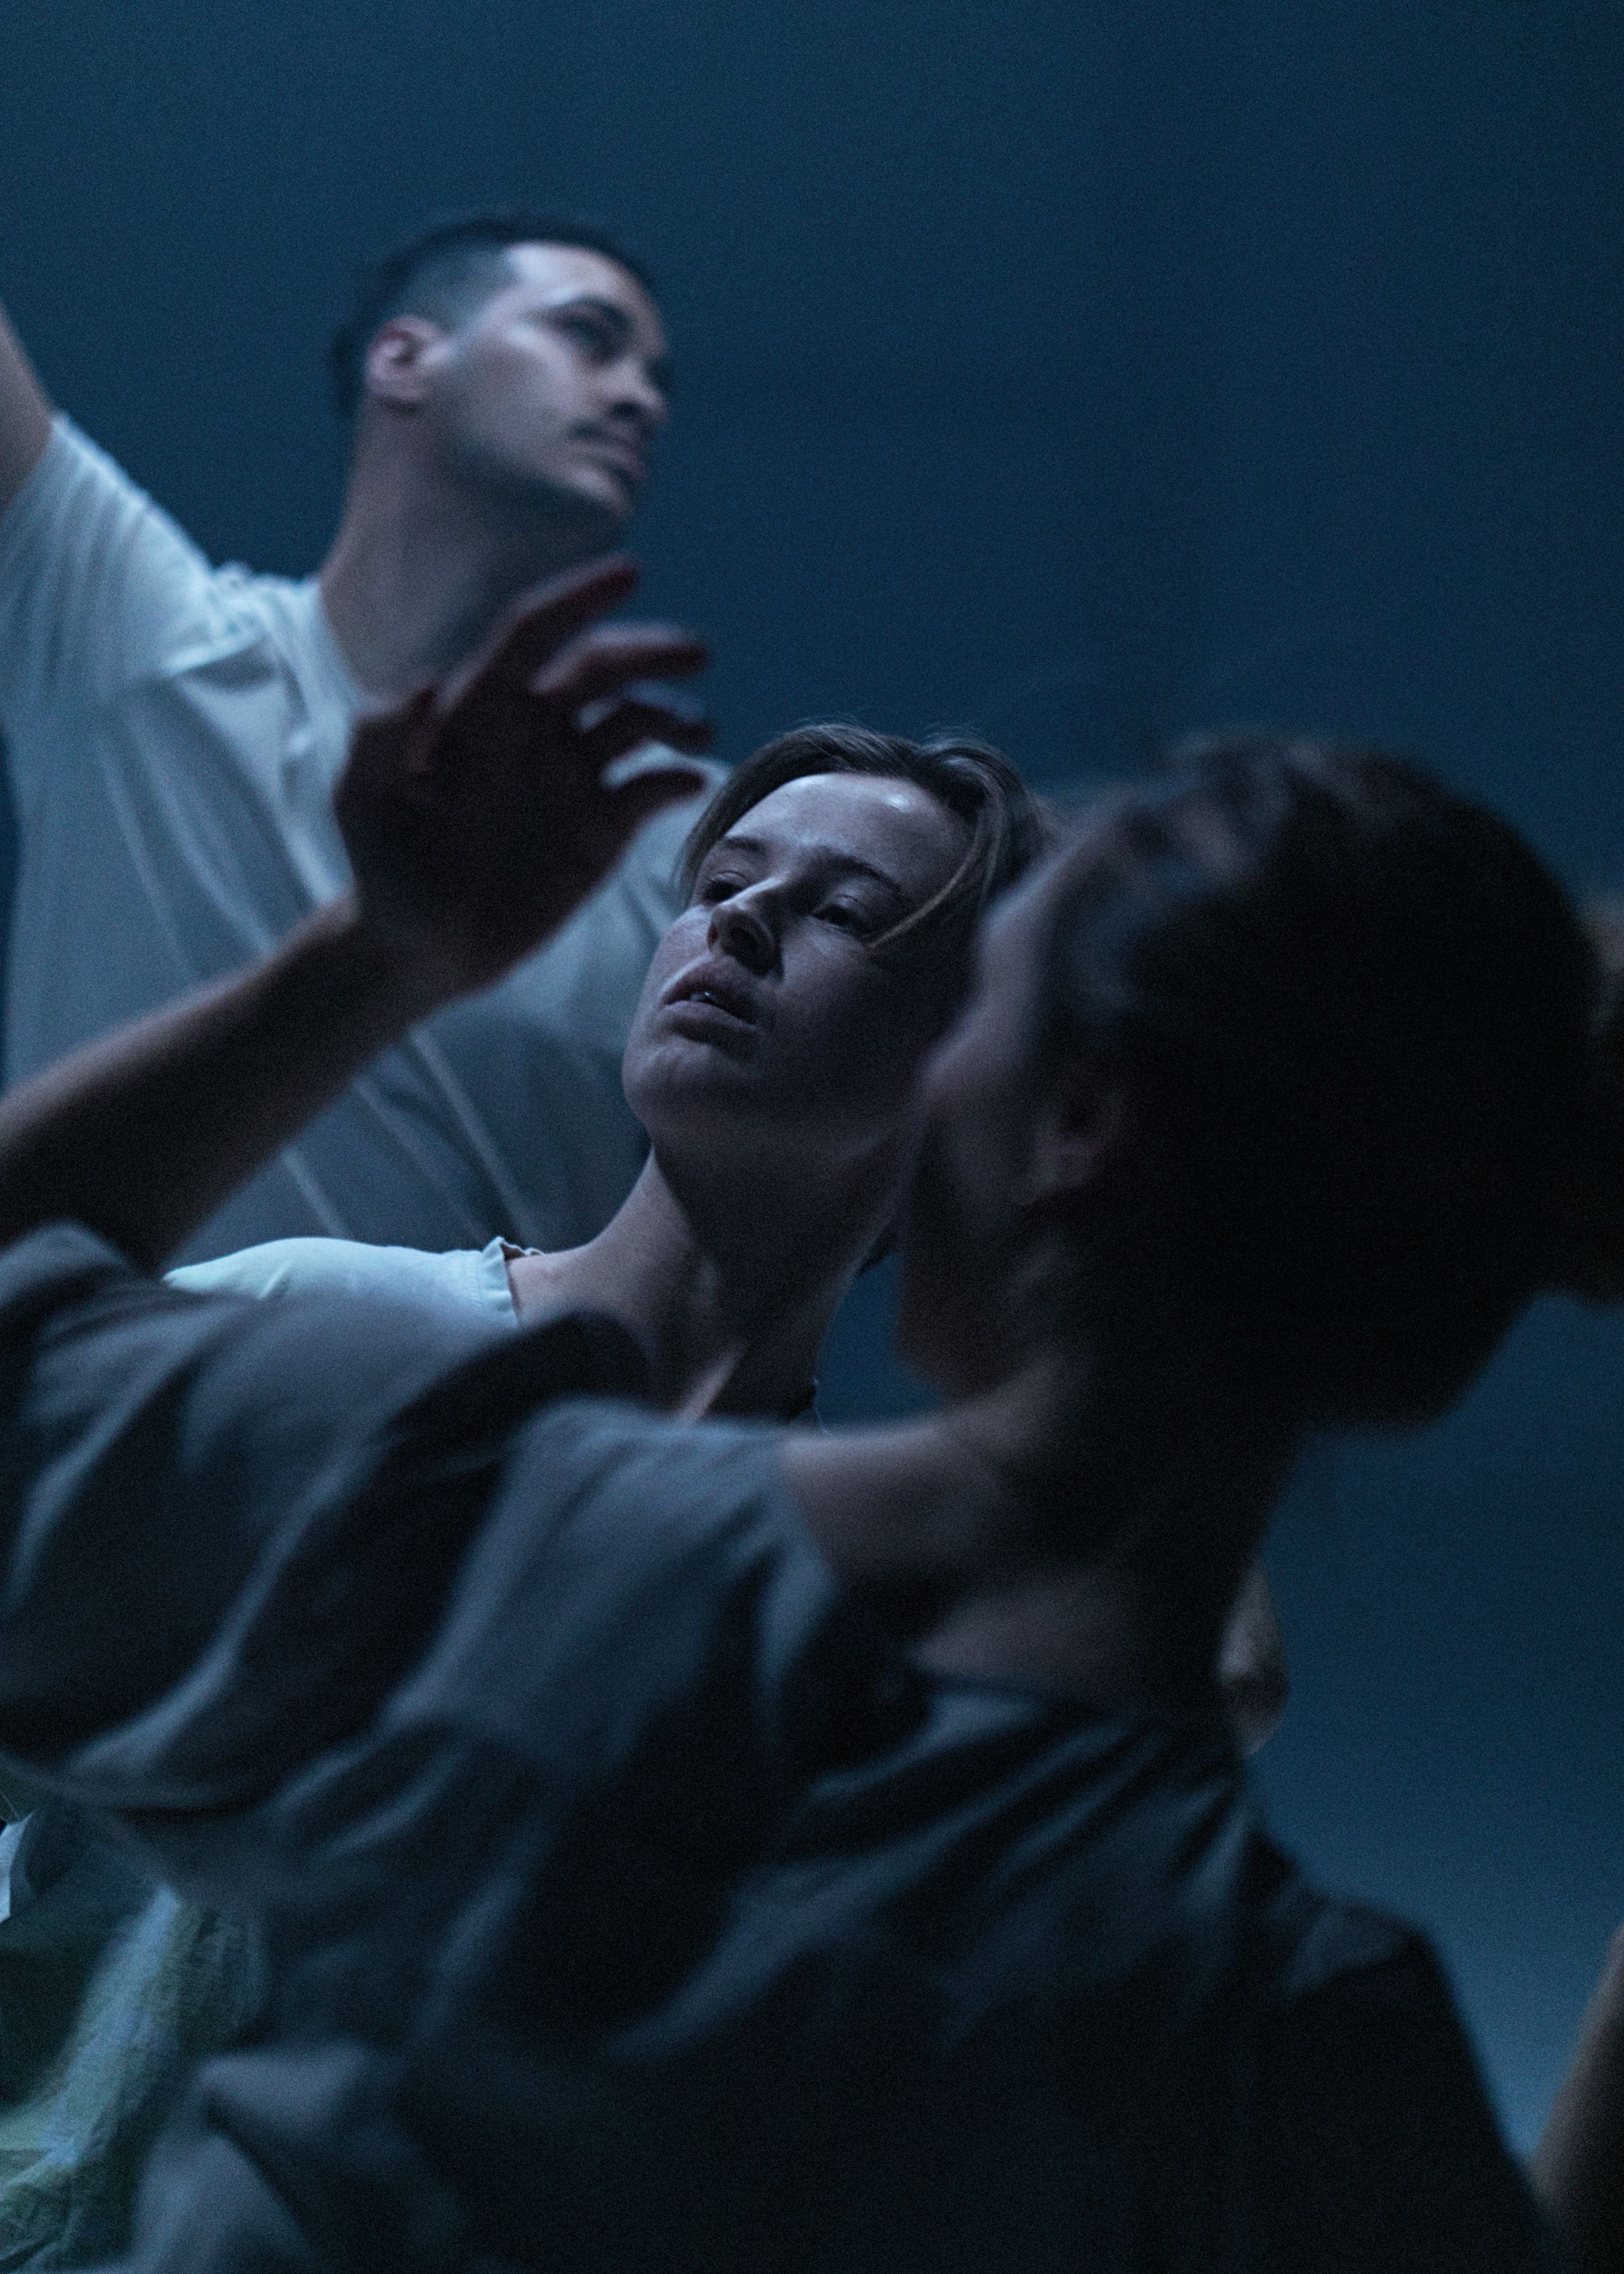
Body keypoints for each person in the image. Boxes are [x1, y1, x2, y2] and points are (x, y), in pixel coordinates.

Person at [0, 733, 1605, 2266]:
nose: (740, 924)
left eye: (984, 1001)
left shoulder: (498, 1527)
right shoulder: (1291, 2015)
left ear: (1075, 1126)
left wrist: (371, 958)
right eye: (719, 882)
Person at [0, 208, 718, 1265]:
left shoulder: (687, 842)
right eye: (589, 335)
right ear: (405, 357)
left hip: (491, 1382)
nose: (639, 398)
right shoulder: (143, 644)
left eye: (656, 379)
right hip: (77, 1370)